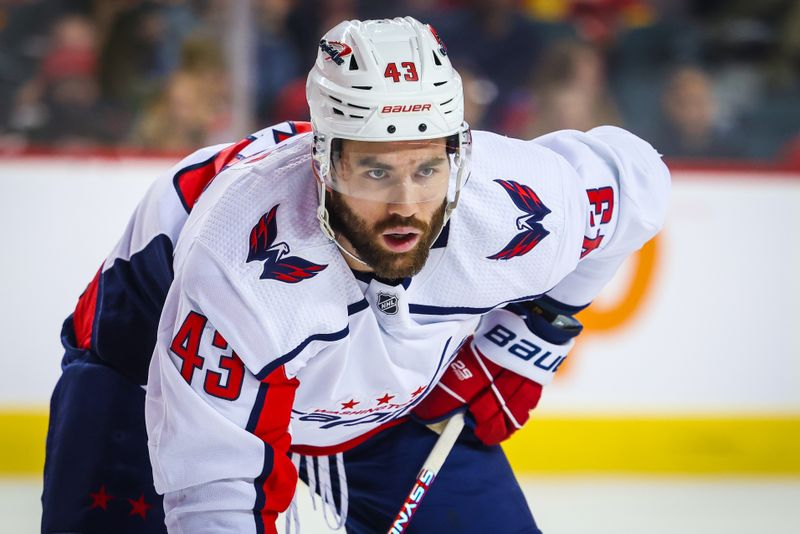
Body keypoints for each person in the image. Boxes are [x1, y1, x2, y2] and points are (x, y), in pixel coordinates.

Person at [43, 16, 670, 534]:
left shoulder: (513, 203)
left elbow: (638, 184)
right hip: (145, 371)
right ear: (322, 160)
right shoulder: (239, 260)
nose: (405, 205)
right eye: (374, 170)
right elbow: (213, 491)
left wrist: (527, 340)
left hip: (382, 411)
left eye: (427, 169)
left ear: (459, 154)